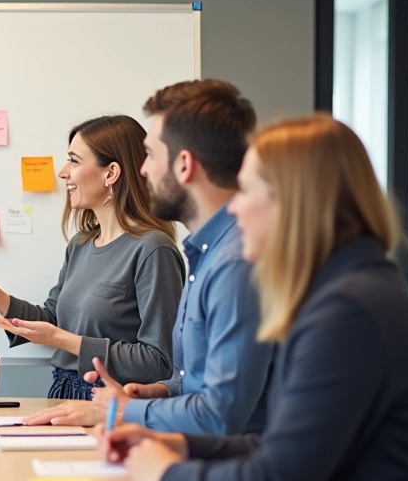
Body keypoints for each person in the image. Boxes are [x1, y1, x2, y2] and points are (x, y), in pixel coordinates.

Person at [100, 115, 408, 481]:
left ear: (295, 201)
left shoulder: (348, 311)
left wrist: (164, 473)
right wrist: (177, 444)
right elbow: (283, 446)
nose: (234, 207)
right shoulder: (346, 292)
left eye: (247, 190)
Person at [26, 80, 274, 434]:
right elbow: (193, 381)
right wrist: (155, 392)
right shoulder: (205, 256)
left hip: (223, 468)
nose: (141, 170)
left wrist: (127, 413)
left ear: (184, 164)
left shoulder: (233, 263)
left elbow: (220, 414)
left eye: (151, 156)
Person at [0, 115, 184, 399]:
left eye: (74, 161)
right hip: (63, 391)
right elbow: (53, 320)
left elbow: (158, 361)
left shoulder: (153, 250)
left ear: (111, 173)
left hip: (113, 403)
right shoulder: (80, 245)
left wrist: (62, 340)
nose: (63, 172)